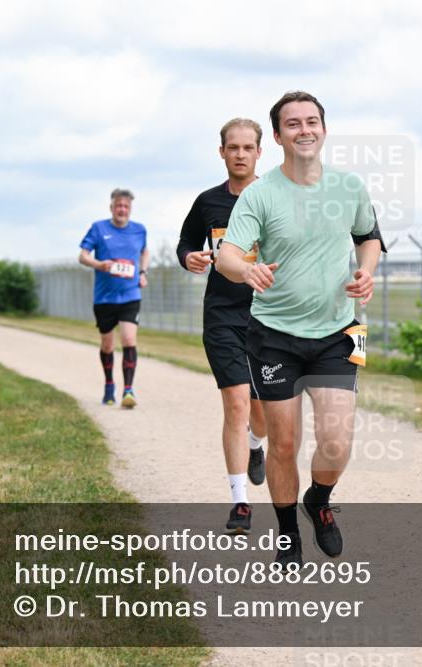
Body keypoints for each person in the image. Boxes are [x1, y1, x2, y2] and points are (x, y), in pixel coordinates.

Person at [216, 91, 385, 568]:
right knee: (284, 442)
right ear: (278, 135)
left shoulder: (349, 186)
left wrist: (367, 269)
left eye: (312, 121)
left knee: (337, 441)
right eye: (293, 124)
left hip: (341, 330)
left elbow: (368, 236)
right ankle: (288, 530)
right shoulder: (260, 194)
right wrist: (246, 271)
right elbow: (229, 253)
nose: (304, 129)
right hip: (274, 335)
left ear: (324, 129)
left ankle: (320, 501)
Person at [177, 118, 269, 533]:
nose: (240, 154)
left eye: (248, 148)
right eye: (233, 148)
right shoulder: (208, 202)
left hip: (270, 316)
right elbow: (186, 243)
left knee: (262, 410)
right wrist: (189, 258)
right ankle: (240, 503)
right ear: (222, 153)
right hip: (222, 315)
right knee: (235, 402)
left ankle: (255, 445)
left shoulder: (277, 198)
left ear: (259, 153)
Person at [79, 188, 149, 408]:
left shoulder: (139, 230)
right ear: (112, 208)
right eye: (118, 205)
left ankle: (128, 390)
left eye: (126, 206)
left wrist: (143, 272)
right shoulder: (98, 228)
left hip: (130, 294)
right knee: (107, 344)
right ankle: (109, 385)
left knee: (129, 339)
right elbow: (82, 256)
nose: (122, 210)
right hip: (104, 297)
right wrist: (100, 265)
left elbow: (145, 252)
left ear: (130, 209)